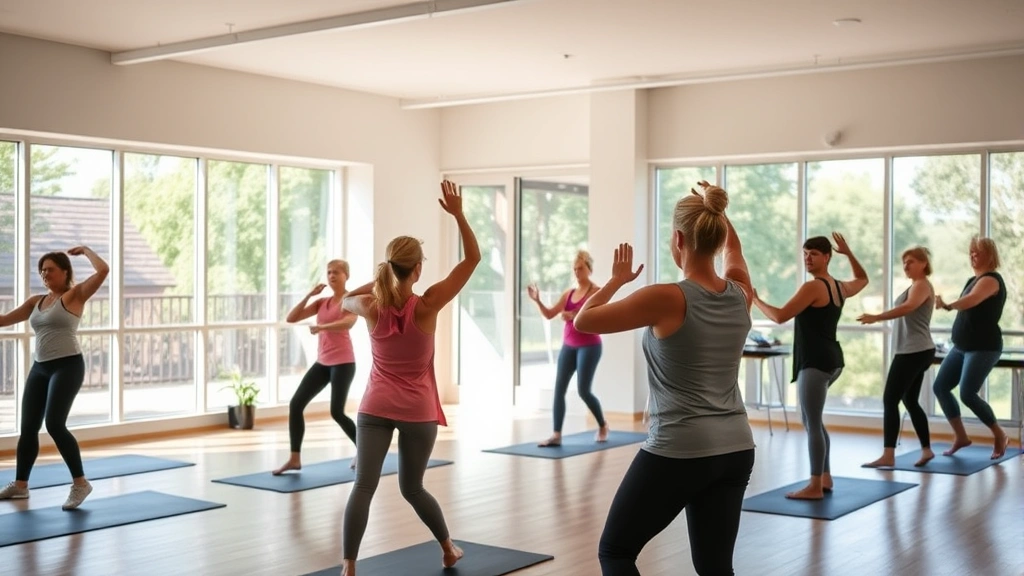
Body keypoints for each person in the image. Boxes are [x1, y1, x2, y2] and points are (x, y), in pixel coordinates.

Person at [574, 182, 756, 576]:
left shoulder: (667, 297)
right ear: (717, 235)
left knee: (616, 551)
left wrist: (616, 281)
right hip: (736, 447)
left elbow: (583, 320)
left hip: (680, 447)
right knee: (715, 567)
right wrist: (719, 212)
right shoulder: (742, 294)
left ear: (678, 239)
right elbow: (735, 253)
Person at [338, 180, 480, 576]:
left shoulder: (370, 306)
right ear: (418, 269)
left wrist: (379, 280)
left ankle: (349, 567)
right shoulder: (429, 303)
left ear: (387, 267)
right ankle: (448, 549)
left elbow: (344, 299)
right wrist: (458, 215)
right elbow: (472, 259)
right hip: (417, 412)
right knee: (412, 488)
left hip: (375, 407)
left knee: (363, 486)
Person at [752, 232, 868, 500]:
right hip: (832, 360)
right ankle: (825, 477)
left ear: (827, 257)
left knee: (812, 422)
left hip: (815, 362)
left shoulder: (813, 287)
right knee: (812, 419)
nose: (807, 258)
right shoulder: (838, 287)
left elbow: (780, 316)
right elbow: (863, 279)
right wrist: (849, 254)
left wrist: (755, 300)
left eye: (813, 254)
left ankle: (815, 485)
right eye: (805, 254)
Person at [0, 246, 109, 510]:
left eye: (50, 269)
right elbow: (2, 320)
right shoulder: (35, 302)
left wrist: (86, 251)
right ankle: (21, 485)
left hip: (68, 366)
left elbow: (103, 270)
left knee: (54, 424)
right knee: (28, 428)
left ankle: (80, 483)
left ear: (64, 272)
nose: (44, 274)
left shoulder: (75, 295)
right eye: (42, 270)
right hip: (40, 368)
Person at [273, 259, 360, 475]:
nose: (332, 276)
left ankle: (365, 451)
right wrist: (309, 295)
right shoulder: (322, 302)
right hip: (323, 362)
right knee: (296, 404)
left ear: (346, 275)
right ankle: (294, 458)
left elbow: (349, 323)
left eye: (336, 272)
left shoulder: (351, 300)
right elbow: (292, 318)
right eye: (329, 272)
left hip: (344, 363)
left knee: (337, 412)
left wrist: (322, 327)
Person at [932, 236, 1009, 459]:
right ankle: (961, 437)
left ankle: (1000, 434)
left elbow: (972, 300)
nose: (973, 255)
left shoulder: (992, 280)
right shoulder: (971, 280)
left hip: (984, 347)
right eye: (971, 252)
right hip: (961, 346)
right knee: (941, 387)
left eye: (978, 252)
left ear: (990, 256)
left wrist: (948, 305)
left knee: (967, 393)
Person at [858, 247, 936, 468]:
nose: (906, 266)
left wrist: (877, 317)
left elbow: (908, 307)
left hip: (914, 351)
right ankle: (927, 449)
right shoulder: (916, 286)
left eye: (911, 261)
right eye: (904, 262)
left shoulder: (921, 285)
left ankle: (888, 454)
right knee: (910, 400)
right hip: (915, 350)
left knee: (890, 399)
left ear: (923, 263)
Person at [526, 250, 610, 447]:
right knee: (559, 390)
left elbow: (600, 317)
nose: (577, 272)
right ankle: (556, 435)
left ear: (589, 269)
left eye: (580, 268)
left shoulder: (596, 292)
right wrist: (537, 300)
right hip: (569, 346)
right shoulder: (568, 294)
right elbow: (549, 314)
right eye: (574, 269)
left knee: (583, 391)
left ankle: (602, 425)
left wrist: (575, 315)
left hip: (590, 346)